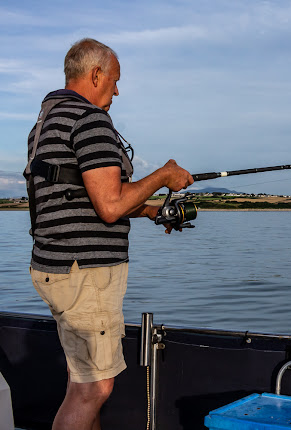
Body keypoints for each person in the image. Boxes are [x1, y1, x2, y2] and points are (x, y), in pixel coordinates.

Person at [26, 38, 193, 430]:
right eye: (115, 80)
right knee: (94, 390)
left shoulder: (47, 121)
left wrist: (151, 210)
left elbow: (85, 197)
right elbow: (111, 206)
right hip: (86, 274)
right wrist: (164, 176)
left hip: (55, 267)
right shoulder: (90, 120)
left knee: (81, 381)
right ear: (96, 74)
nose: (117, 90)